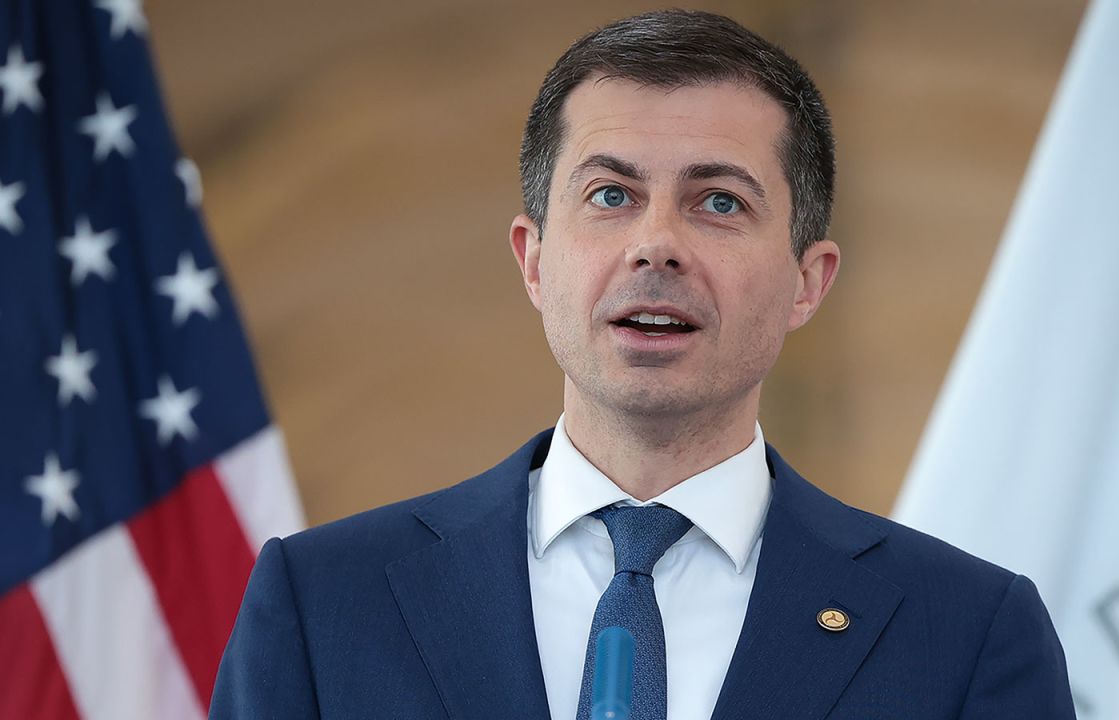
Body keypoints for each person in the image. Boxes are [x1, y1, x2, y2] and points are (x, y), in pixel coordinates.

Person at [210, 9, 1075, 719]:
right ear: (535, 261)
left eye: (720, 201)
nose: (656, 244)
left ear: (809, 282)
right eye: (611, 195)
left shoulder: (964, 634)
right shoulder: (324, 603)